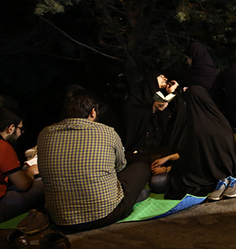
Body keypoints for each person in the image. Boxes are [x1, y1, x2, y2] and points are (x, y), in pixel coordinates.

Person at [37, 89, 151, 232]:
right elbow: (120, 167)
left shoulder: (45, 134)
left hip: (60, 220)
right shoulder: (107, 132)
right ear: (92, 112)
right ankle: (135, 196)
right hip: (105, 214)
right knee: (141, 167)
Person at [150, 86, 236, 199]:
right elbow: (194, 152)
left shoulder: (197, 128)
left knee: (155, 182)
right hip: (228, 170)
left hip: (207, 177)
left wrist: (166, 169)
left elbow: (192, 162)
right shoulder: (220, 120)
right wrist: (168, 158)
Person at [0, 107, 44, 221]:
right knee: (45, 183)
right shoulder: (3, 147)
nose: (21, 132)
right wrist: (30, 172)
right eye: (20, 128)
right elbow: (23, 185)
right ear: (11, 128)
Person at [123, 72, 179, 155]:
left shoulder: (162, 97)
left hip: (158, 148)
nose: (165, 79)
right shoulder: (137, 98)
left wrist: (171, 92)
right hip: (140, 150)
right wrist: (152, 109)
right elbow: (130, 114)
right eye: (161, 76)